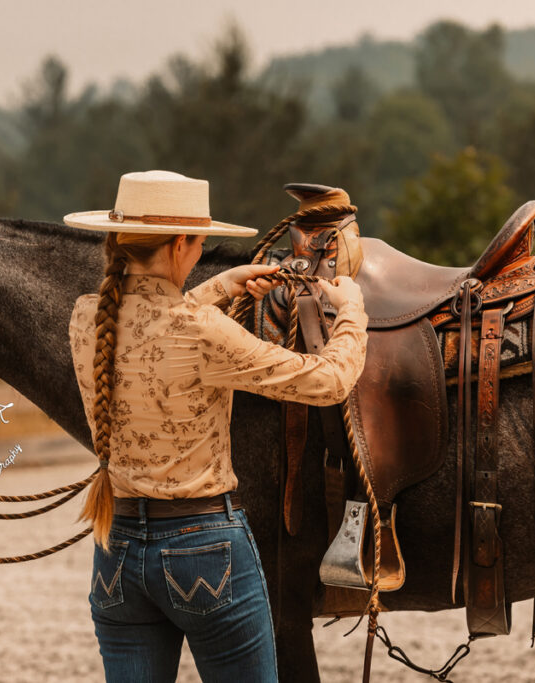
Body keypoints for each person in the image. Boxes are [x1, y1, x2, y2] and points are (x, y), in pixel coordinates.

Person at [64, 170, 368, 682]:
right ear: (181, 243)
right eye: (200, 242)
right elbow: (329, 381)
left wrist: (220, 286)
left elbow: (152, 331)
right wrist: (352, 313)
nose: (202, 250)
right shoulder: (202, 331)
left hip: (115, 553)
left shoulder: (86, 317)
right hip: (204, 551)